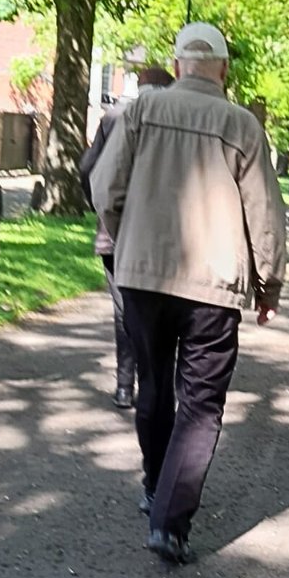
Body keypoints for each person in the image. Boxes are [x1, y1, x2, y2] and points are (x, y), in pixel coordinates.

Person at [91, 22, 287, 565]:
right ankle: (170, 523)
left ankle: (156, 486)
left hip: (143, 275)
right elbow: (265, 213)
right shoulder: (242, 125)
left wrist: (126, 237)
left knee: (153, 387)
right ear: (224, 69)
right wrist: (269, 282)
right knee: (201, 406)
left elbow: (106, 189)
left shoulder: (140, 111)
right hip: (215, 286)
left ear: (178, 65)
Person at [80, 65, 175, 410]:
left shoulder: (113, 117)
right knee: (162, 306)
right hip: (163, 231)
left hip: (115, 229)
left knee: (124, 309)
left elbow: (88, 168)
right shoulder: (176, 121)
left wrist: (96, 206)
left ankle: (124, 386)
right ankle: (155, 383)